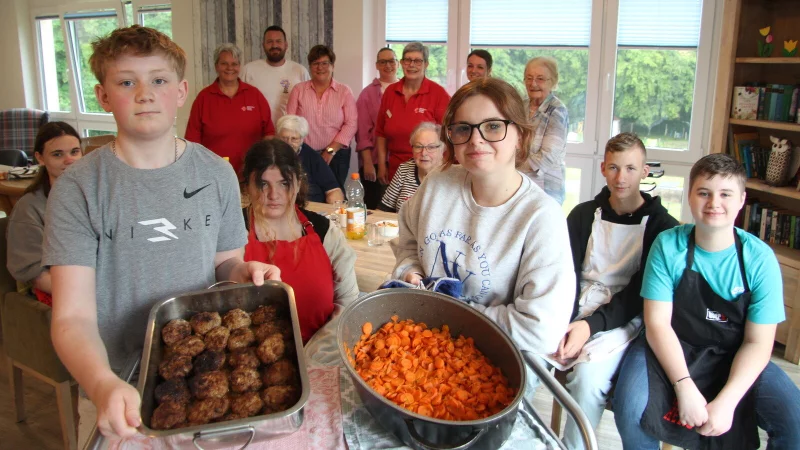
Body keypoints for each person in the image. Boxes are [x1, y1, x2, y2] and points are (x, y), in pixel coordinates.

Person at [42, 25, 281, 440]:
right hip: (116, 390)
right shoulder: (78, 188)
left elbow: (226, 263)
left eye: (158, 80)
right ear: (102, 96)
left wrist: (245, 273)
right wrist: (101, 384)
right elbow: (72, 317)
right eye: (126, 81)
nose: (144, 93)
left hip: (208, 382)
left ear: (181, 90)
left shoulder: (218, 173)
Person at [613, 153, 800, 450]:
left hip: (733, 352)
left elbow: (758, 343)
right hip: (671, 346)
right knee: (629, 409)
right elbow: (658, 324)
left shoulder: (759, 258)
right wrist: (684, 386)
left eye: (725, 194)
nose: (714, 203)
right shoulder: (668, 245)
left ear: (741, 200)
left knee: (795, 419)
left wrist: (727, 401)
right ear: (690, 197)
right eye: (704, 193)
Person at [392, 77, 574, 370]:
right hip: (423, 344)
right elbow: (408, 242)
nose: (476, 139)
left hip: (497, 363)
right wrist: (410, 270)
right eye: (463, 128)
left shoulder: (542, 219)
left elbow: (541, 331)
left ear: (520, 135)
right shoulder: (436, 185)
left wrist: (443, 313)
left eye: (492, 126)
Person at [555, 133, 679, 450]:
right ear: (602, 168)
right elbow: (564, 273)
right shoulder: (583, 215)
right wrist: (564, 321)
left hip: (625, 318)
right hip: (573, 307)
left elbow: (640, 294)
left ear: (645, 171)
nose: (621, 178)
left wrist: (589, 326)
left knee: (587, 380)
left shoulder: (662, 227)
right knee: (524, 360)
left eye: (630, 169)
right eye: (613, 168)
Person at [242, 139, 358, 343]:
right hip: (252, 362)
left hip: (322, 353)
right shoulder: (234, 232)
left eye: (284, 184)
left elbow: (347, 301)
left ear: (297, 183)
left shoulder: (323, 231)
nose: (273, 195)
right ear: (248, 186)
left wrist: (317, 354)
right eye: (262, 184)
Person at [7, 122, 83, 307]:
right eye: (58, 154)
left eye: (75, 152)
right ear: (40, 158)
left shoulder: (98, 198)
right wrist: (88, 294)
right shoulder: (29, 208)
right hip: (63, 293)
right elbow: (36, 275)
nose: (69, 160)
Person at [185, 43, 275, 175]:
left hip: (251, 173)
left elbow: (269, 133)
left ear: (240, 67)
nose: (229, 68)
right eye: (224, 63)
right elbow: (192, 142)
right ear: (216, 66)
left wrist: (264, 162)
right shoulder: (203, 98)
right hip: (214, 174)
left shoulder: (255, 95)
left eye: (234, 64)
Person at [376, 42, 450, 186]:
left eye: (417, 61)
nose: (412, 65)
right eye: (408, 60)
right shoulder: (390, 92)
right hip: (395, 170)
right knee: (396, 208)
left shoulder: (438, 94)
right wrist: (381, 165)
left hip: (428, 171)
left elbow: (449, 136)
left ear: (426, 64)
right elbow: (380, 133)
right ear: (402, 63)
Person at [287, 45, 357, 188]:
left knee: (334, 194)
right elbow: (290, 123)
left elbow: (351, 124)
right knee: (307, 194)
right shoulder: (298, 90)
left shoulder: (344, 91)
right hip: (304, 153)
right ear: (310, 67)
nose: (320, 68)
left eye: (325, 63)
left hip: (337, 155)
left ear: (333, 66)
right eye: (315, 64)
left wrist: (330, 151)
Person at [240, 25, 310, 127]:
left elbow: (308, 105)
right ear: (263, 45)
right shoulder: (248, 70)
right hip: (257, 134)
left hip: (290, 135)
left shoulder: (300, 71)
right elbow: (239, 102)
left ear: (286, 45)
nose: (274, 45)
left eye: (278, 41)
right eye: (269, 42)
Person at [521, 56, 569, 204]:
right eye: (529, 78)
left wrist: (511, 166)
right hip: (519, 183)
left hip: (546, 188)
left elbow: (547, 157)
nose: (533, 83)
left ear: (553, 82)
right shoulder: (520, 105)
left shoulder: (557, 110)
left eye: (540, 79)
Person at [356, 47, 398, 209]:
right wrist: (367, 162)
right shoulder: (367, 94)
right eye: (383, 62)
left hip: (399, 161)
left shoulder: (405, 90)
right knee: (376, 208)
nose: (388, 65)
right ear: (377, 65)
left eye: (391, 61)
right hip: (373, 162)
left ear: (398, 64)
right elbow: (362, 132)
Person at [275, 114, 344, 204]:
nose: (288, 143)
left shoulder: (312, 157)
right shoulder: (270, 155)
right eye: (284, 138)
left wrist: (333, 210)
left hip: (310, 206)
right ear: (277, 136)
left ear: (302, 139)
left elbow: (333, 189)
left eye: (294, 139)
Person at [379, 122, 444, 213]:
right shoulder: (404, 170)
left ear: (442, 149)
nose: (424, 153)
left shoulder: (452, 175)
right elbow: (383, 209)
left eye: (431, 147)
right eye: (418, 146)